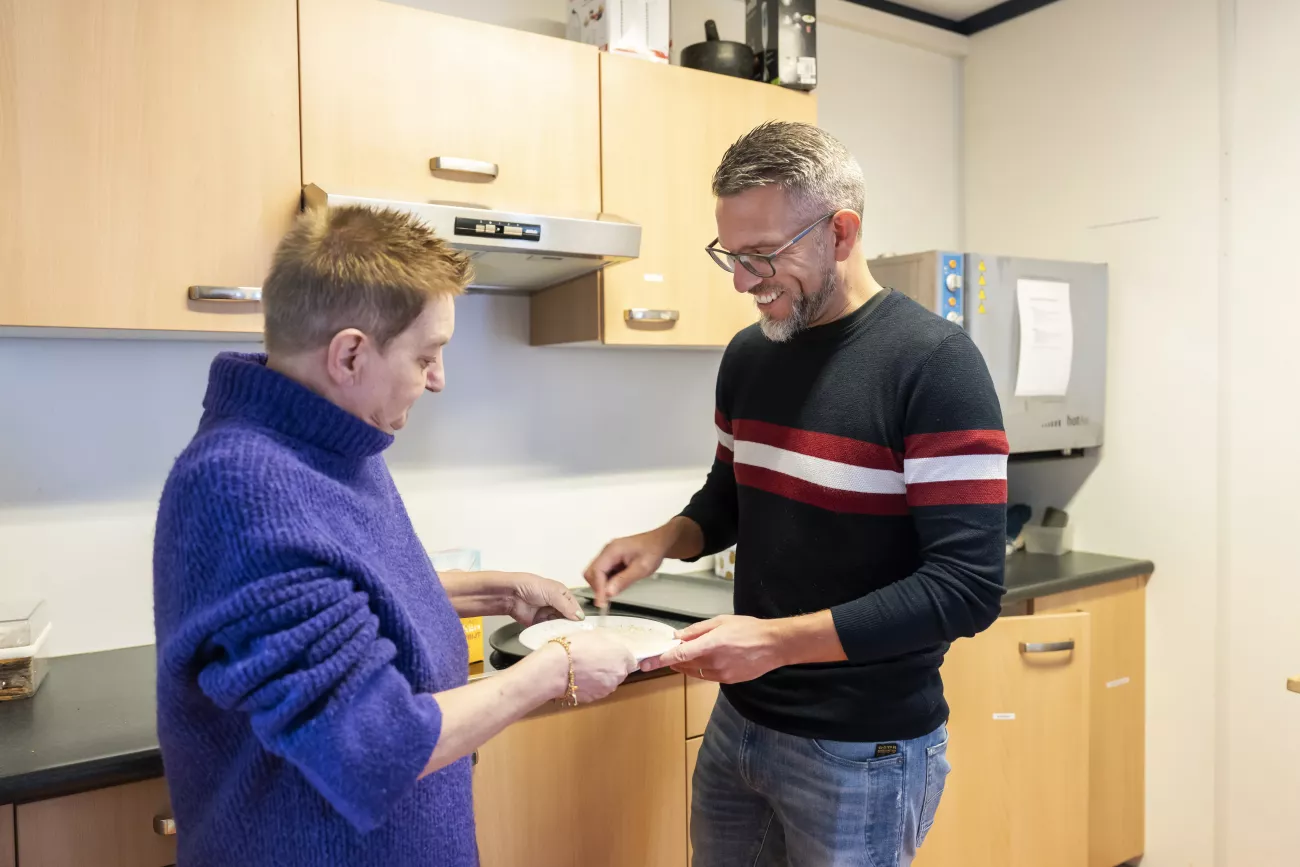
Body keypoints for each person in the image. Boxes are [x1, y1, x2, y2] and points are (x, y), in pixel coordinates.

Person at [153, 204, 637, 867]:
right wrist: (557, 669)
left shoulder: (333, 441)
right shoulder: (243, 488)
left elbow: (339, 591)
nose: (438, 379)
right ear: (350, 353)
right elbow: (376, 746)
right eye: (427, 355)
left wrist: (489, 589)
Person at [584, 121, 1008, 866]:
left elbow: (967, 588)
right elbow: (732, 492)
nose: (743, 282)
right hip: (741, 724)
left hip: (863, 749)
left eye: (762, 256)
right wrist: (665, 539)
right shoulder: (752, 354)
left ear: (841, 233)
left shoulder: (934, 366)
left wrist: (775, 642)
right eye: (731, 256)